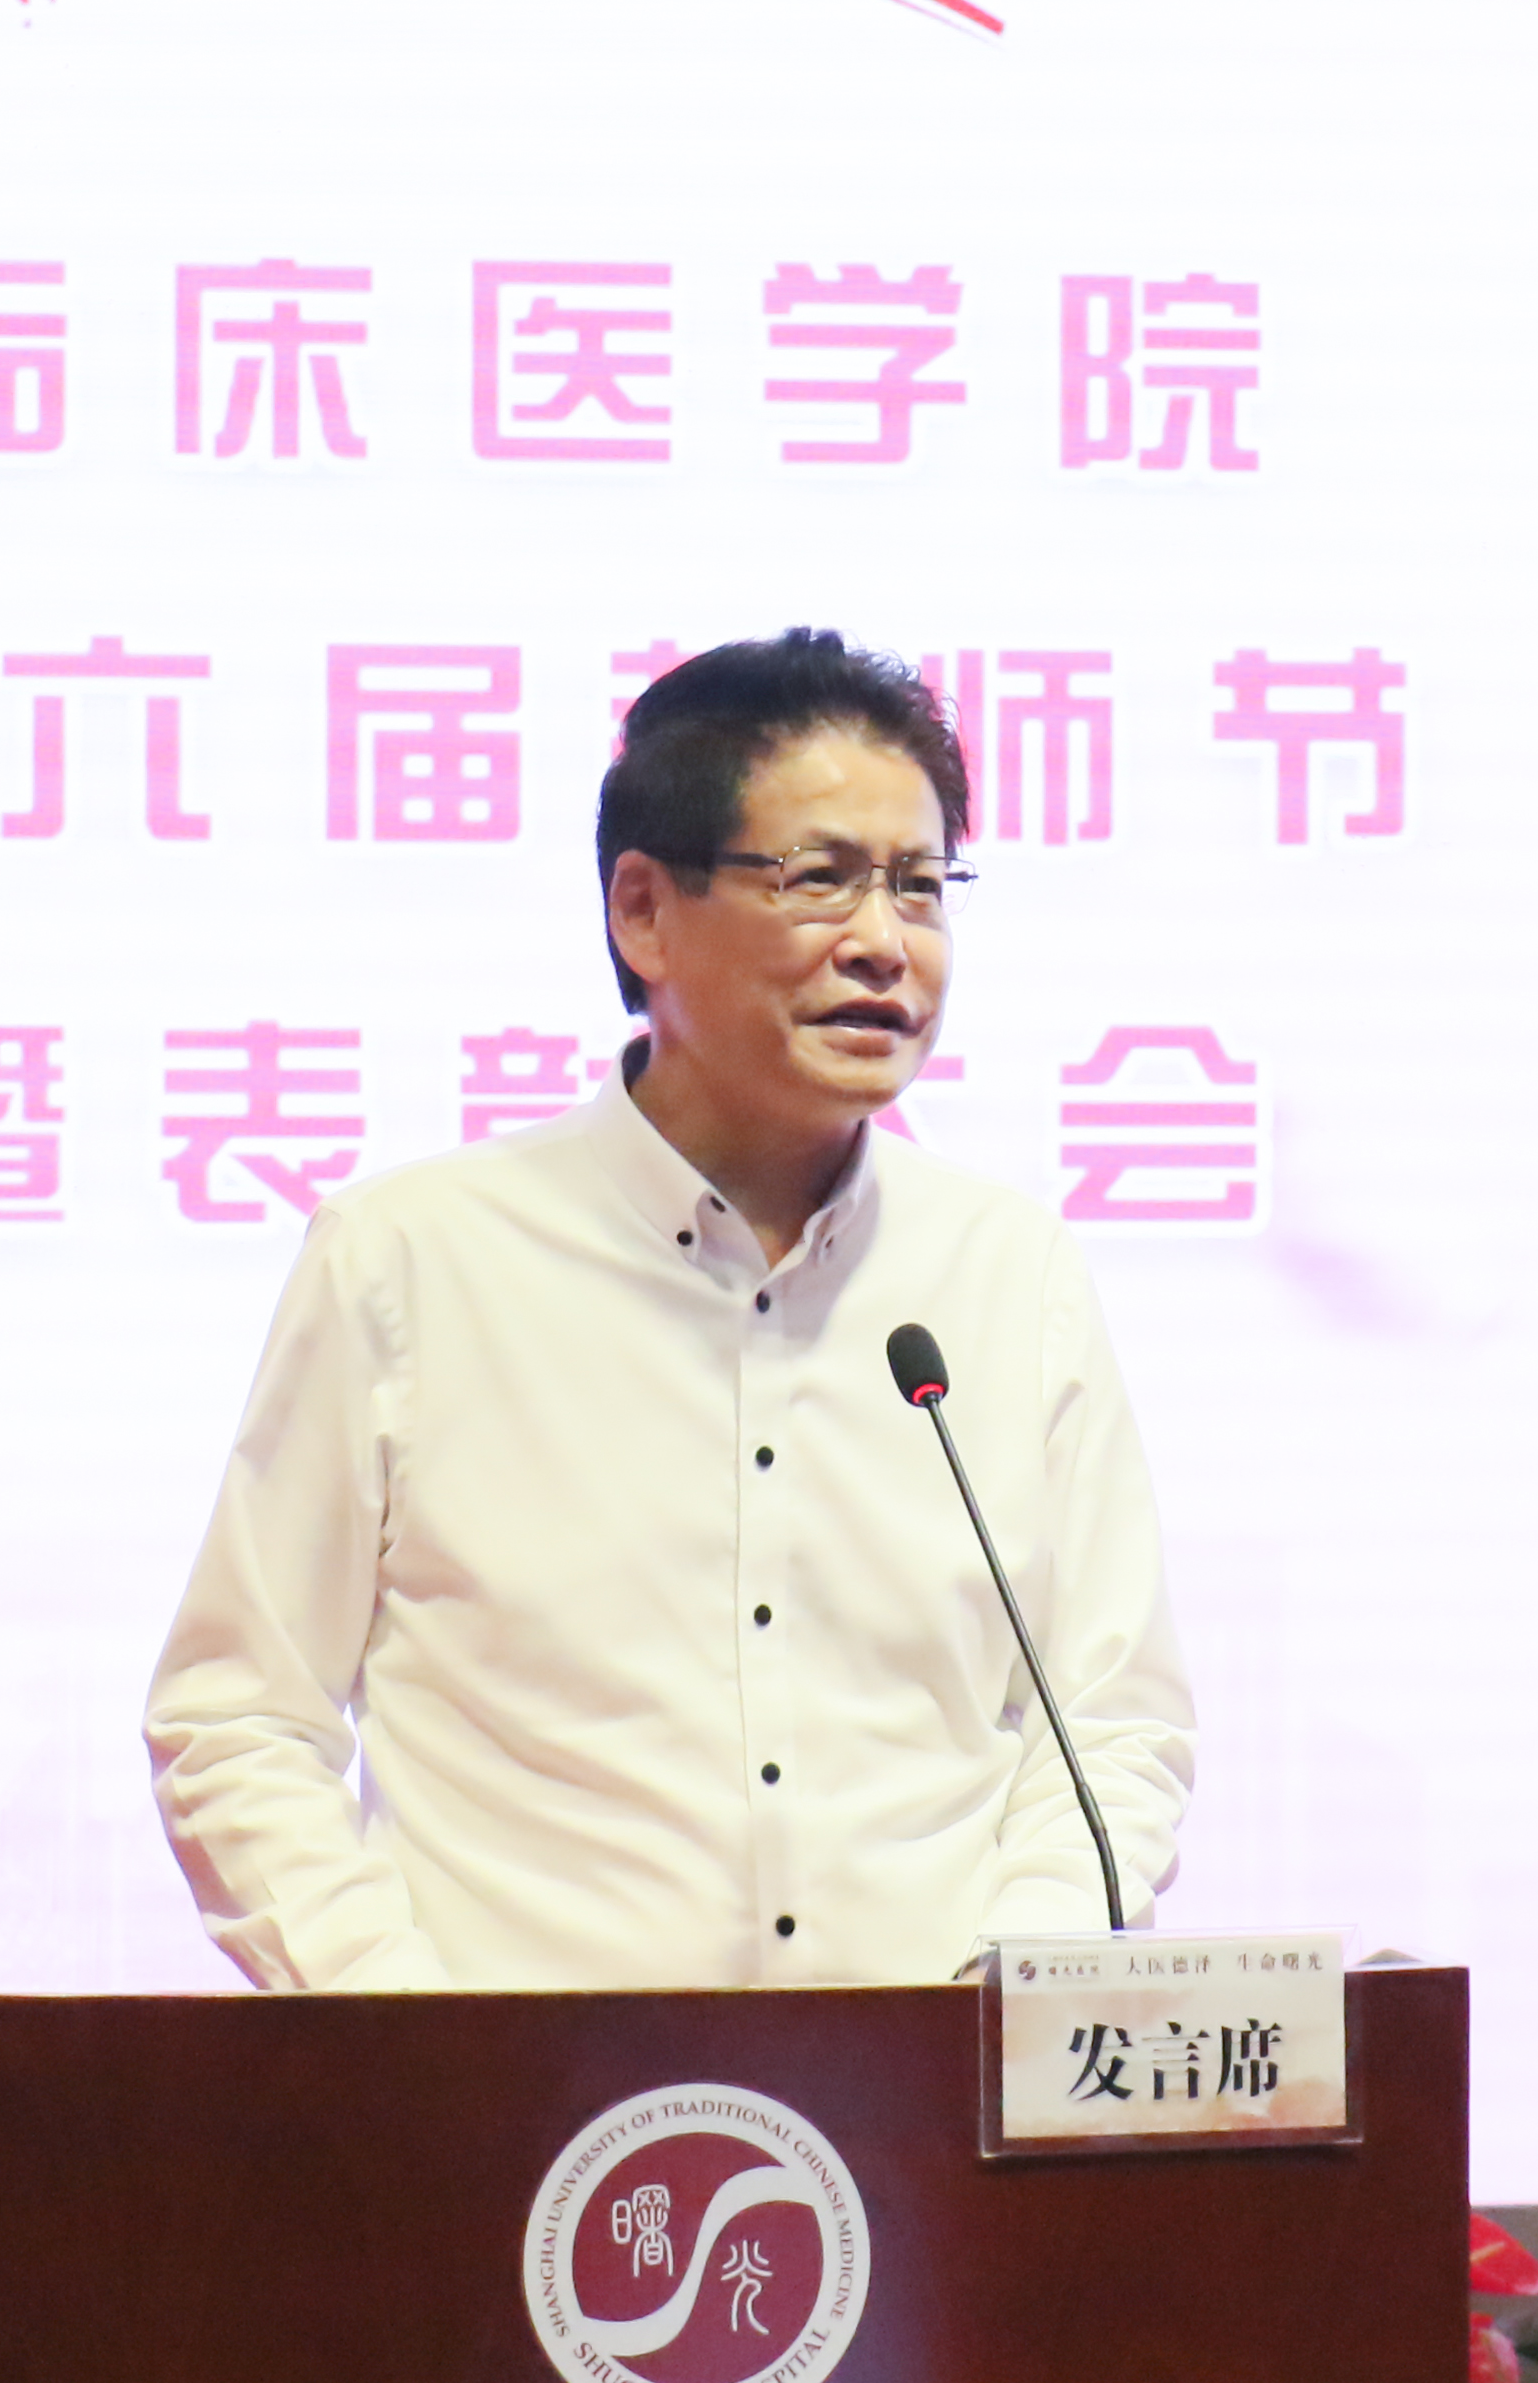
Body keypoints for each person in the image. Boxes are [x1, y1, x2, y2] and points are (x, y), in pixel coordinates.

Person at [144, 628, 1192, 1988]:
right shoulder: (411, 1261)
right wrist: (405, 2030)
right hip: (519, 2099)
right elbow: (240, 1715)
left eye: (921, 887)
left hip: (925, 2097)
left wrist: (1005, 2006)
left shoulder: (1006, 1270)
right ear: (642, 911)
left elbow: (1109, 1723)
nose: (884, 943)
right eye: (820, 879)